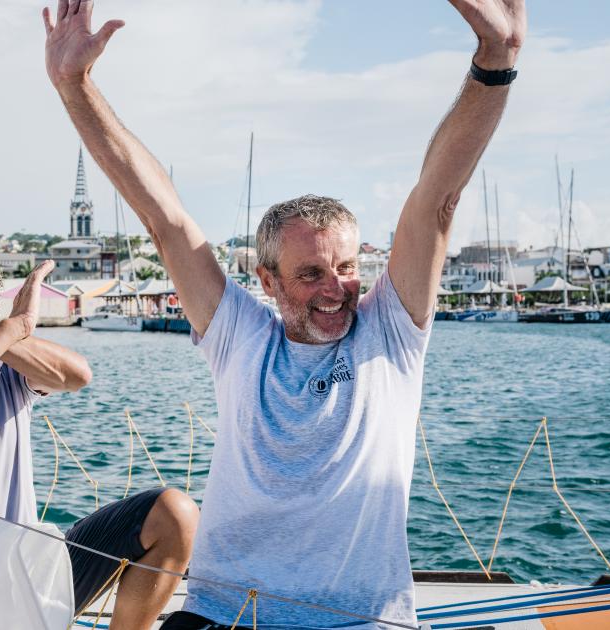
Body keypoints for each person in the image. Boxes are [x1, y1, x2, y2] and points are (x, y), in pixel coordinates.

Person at [42, 0, 525, 627]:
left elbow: (438, 197)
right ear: (266, 280)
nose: (336, 289)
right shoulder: (240, 335)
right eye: (310, 275)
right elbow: (164, 219)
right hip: (222, 615)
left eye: (347, 268)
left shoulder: (390, 334)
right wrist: (74, 86)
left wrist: (497, 60)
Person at [0, 232, 198, 630]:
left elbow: (77, 375)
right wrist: (11, 328)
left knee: (174, 515)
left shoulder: (10, 374)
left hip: (27, 580)